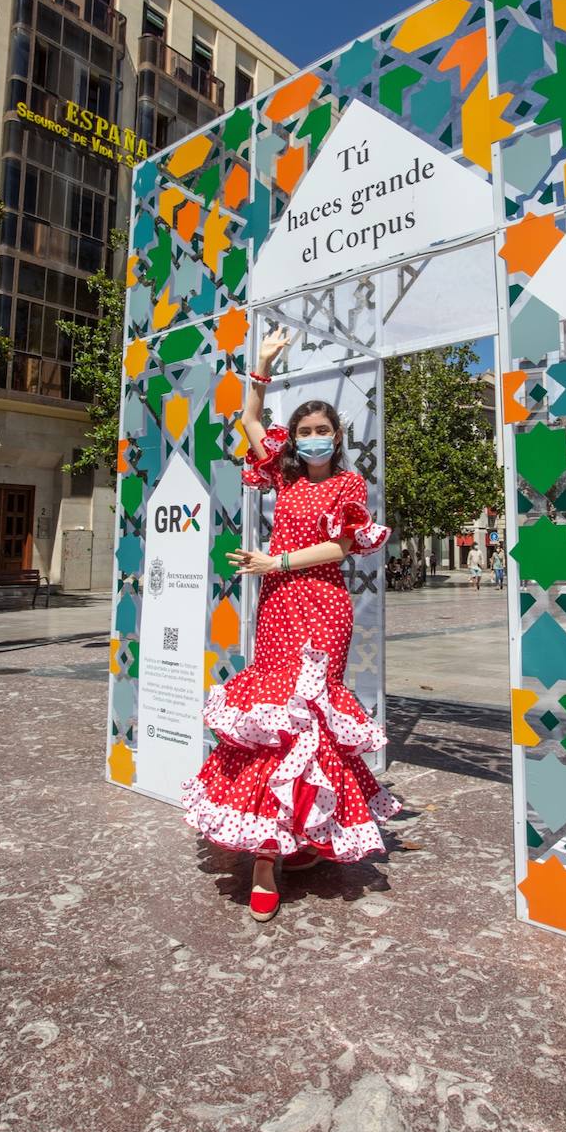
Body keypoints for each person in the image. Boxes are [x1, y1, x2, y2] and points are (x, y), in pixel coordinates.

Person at [181, 325, 401, 923]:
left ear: (337, 437)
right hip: (278, 604)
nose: (310, 441)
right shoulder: (283, 476)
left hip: (323, 605)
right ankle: (268, 849)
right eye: (302, 433)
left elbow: (341, 548)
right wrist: (262, 366)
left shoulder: (349, 485)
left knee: (309, 715)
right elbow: (252, 424)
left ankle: (281, 850)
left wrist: (273, 560)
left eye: (319, 432)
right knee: (273, 717)